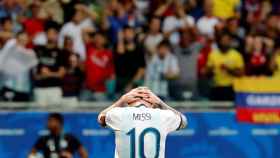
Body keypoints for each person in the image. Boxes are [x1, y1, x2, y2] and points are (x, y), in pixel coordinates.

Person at [98, 87, 187, 158]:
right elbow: (184, 121)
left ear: (129, 101)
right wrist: (161, 103)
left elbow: (100, 118)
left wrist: (121, 100)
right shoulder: (163, 115)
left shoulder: (119, 113)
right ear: (152, 102)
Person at [205, 31, 244, 101]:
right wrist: (211, 70)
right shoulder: (213, 55)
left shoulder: (236, 55)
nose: (225, 43)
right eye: (223, 41)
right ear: (219, 42)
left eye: (227, 40)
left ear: (230, 42)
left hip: (231, 88)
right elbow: (207, 73)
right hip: (216, 88)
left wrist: (228, 69)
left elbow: (241, 74)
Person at [33, 25, 66, 105]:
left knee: (54, 113)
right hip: (39, 88)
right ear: (45, 35)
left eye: (53, 33)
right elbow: (34, 73)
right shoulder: (37, 50)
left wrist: (48, 74)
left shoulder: (61, 52)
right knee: (39, 115)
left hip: (54, 88)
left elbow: (61, 73)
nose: (51, 36)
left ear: (57, 35)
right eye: (49, 33)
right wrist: (41, 76)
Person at [115, 26, 146, 93]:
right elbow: (120, 55)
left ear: (133, 34)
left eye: (130, 33)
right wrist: (120, 39)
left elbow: (142, 69)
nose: (128, 35)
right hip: (121, 81)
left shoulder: (139, 49)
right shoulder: (118, 46)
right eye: (125, 33)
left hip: (135, 82)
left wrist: (131, 84)